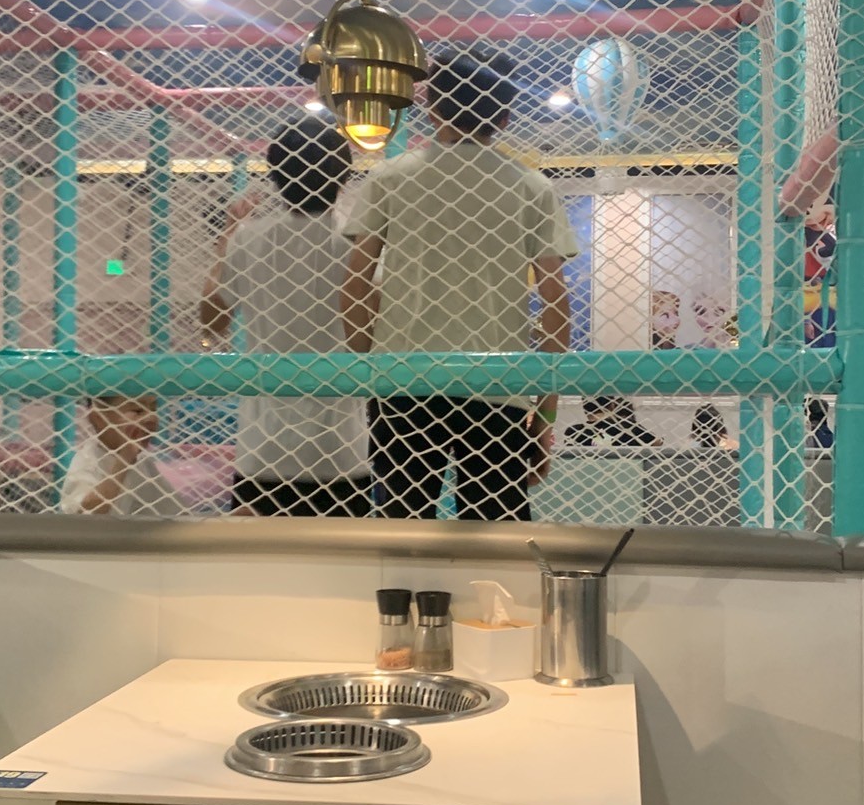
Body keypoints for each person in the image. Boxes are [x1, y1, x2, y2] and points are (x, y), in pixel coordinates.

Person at [341, 53, 574, 521]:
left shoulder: (390, 177)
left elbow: (354, 286)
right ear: (504, 118)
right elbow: (556, 304)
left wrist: (372, 368)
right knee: (495, 529)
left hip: (403, 381)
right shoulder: (530, 186)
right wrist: (545, 415)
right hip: (497, 384)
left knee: (402, 526)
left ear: (431, 109)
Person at [201, 118, 370, 517]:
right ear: (343, 177)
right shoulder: (356, 244)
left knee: (258, 557)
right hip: (342, 450)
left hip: (265, 450)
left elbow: (212, 321)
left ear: (276, 176)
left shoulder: (249, 239)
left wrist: (229, 234)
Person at [60, 395, 182, 516]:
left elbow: (176, 510)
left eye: (154, 410)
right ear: (99, 418)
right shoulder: (89, 461)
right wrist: (124, 460)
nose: (151, 418)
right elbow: (85, 512)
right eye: (137, 411)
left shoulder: (143, 462)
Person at [564, 396, 663, 450]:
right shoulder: (628, 427)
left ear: (584, 408)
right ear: (612, 405)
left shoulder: (573, 432)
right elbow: (657, 443)